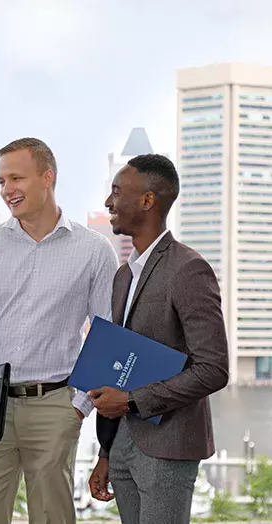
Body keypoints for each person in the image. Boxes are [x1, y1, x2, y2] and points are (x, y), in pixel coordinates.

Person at [0, 137, 119, 524]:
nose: (8, 190)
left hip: (54, 406)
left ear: (47, 177)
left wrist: (78, 407)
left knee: (52, 518)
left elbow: (106, 335)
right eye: (2, 181)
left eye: (16, 178)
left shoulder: (93, 250)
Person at [88, 154, 229, 524]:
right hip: (121, 446)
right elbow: (120, 366)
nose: (108, 202)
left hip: (170, 445)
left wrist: (134, 400)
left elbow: (214, 369)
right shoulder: (124, 276)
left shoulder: (189, 268)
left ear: (148, 200)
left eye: (117, 192)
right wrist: (105, 451)